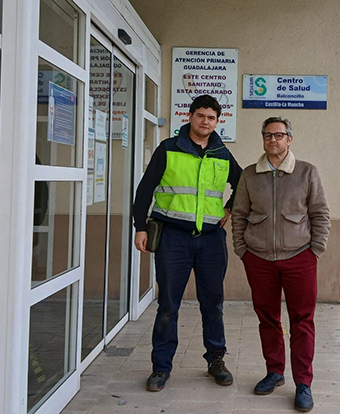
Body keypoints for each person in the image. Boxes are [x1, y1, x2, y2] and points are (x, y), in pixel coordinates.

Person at [133, 94, 242, 392]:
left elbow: (243, 182)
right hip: (173, 238)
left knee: (213, 304)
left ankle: (216, 359)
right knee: (168, 304)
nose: (206, 122)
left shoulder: (222, 152)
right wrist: (140, 227)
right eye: (201, 116)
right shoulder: (168, 149)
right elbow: (145, 190)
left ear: (217, 121)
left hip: (210, 241)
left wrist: (230, 208)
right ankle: (161, 367)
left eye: (212, 118)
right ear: (190, 116)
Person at [231, 117, 331, 412]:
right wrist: (242, 250)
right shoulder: (250, 175)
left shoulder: (307, 172)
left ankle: (303, 383)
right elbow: (238, 214)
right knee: (268, 318)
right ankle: (275, 372)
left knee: (302, 321)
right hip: (259, 258)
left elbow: (320, 214)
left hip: (300, 256)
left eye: (279, 135)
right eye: (267, 135)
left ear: (290, 139)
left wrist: (315, 250)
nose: (272, 140)